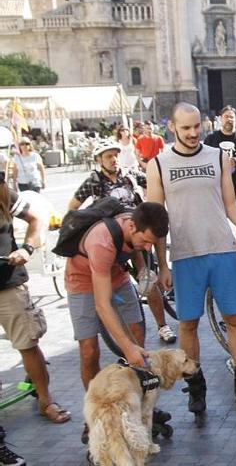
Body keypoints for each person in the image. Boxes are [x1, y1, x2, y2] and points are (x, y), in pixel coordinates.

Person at [148, 102, 236, 424]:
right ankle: (195, 383)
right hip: (186, 255)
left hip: (222, 250)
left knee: (235, 319)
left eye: (196, 126)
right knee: (188, 323)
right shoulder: (158, 164)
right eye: (185, 127)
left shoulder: (217, 158)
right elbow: (156, 221)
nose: (192, 132)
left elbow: (231, 205)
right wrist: (162, 265)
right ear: (172, 127)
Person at [66, 202, 170, 443]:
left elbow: (135, 246)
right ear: (131, 225)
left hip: (116, 275)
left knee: (137, 335)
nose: (147, 246)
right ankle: (95, 415)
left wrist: (144, 270)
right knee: (89, 350)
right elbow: (102, 304)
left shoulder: (135, 226)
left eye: (151, 244)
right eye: (145, 241)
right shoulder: (101, 241)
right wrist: (126, 347)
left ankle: (137, 404)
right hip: (82, 281)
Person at [68, 140, 176, 344]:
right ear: (99, 160)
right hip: (111, 239)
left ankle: (162, 325)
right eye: (108, 156)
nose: (113, 159)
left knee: (147, 280)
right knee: (108, 284)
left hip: (138, 235)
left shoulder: (130, 175)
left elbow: (154, 184)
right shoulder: (93, 181)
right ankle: (120, 329)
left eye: (115, 155)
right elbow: (73, 207)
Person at [0, 182, 70, 427]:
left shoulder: (2, 190)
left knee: (27, 343)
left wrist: (27, 248)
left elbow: (36, 219)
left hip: (7, 282)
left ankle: (45, 400)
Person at [204, 106, 236, 208]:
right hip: (218, 187)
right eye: (226, 117)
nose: (229, 119)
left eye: (232, 117)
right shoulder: (211, 138)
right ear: (220, 119)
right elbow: (203, 158)